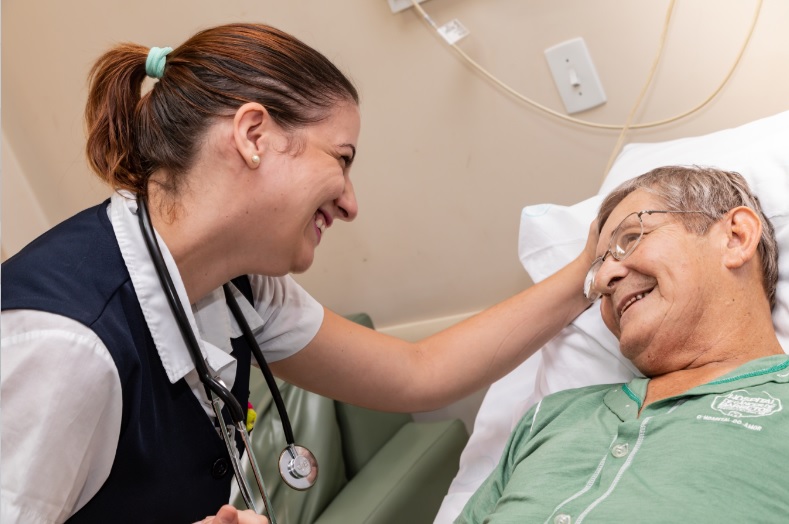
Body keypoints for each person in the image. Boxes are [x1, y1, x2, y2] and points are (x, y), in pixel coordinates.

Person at [0, 23, 597, 524]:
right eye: (341, 159)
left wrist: (589, 270)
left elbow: (420, 372)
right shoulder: (65, 345)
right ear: (254, 135)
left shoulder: (243, 286)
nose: (351, 203)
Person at [456, 165, 789, 523]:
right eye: (597, 269)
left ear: (736, 237)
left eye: (630, 238)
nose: (603, 279)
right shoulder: (550, 417)